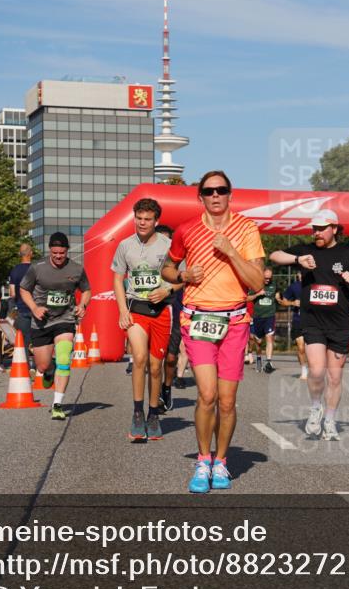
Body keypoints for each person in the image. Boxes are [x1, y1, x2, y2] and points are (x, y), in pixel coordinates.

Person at [161, 171, 265, 493]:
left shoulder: (247, 229)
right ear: (200, 197)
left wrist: (231, 251)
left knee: (227, 401)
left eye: (221, 190)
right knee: (207, 395)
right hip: (198, 319)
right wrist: (183, 276)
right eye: (209, 191)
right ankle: (203, 460)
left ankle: (221, 461)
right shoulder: (187, 229)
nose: (215, 195)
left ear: (230, 194)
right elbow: (166, 269)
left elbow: (257, 282)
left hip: (234, 321)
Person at [270, 213, 349, 441]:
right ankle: (316, 407)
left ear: (334, 229)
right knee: (316, 372)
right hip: (313, 322)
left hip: (339, 324)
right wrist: (298, 260)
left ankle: (330, 420)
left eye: (321, 228)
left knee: (334, 378)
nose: (316, 232)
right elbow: (274, 255)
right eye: (314, 228)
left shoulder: (348, 254)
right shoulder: (306, 250)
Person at [112, 199, 177, 441]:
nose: (142, 223)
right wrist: (122, 310)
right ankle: (138, 413)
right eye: (139, 218)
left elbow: (182, 278)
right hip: (136, 308)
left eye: (147, 219)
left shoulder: (168, 246)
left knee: (155, 366)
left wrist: (166, 290)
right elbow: (117, 279)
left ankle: (153, 413)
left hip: (161, 310)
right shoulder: (125, 245)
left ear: (156, 221)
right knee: (139, 358)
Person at [20, 232, 91, 420]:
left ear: (67, 251)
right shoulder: (37, 268)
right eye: (55, 253)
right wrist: (34, 308)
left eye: (62, 253)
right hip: (42, 321)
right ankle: (49, 370)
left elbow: (86, 290)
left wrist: (82, 305)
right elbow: (24, 289)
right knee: (42, 365)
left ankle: (57, 404)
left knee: (64, 358)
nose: (58, 256)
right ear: (50, 250)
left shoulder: (76, 269)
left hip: (65, 319)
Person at [155, 223, 185, 412]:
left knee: (171, 357)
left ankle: (167, 387)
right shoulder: (147, 257)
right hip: (152, 310)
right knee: (155, 358)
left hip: (175, 308)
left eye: (168, 240)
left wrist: (168, 291)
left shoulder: (178, 260)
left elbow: (185, 279)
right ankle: (156, 395)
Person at [246, 267, 279, 373]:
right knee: (258, 341)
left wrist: (279, 298)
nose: (268, 280)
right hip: (258, 317)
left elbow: (279, 296)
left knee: (269, 337)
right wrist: (258, 294)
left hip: (270, 316)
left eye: (269, 278)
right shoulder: (255, 285)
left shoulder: (274, 285)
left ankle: (268, 362)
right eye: (266, 278)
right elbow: (247, 298)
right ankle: (259, 358)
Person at [9, 243, 35, 363]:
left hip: (22, 310)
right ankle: (40, 367)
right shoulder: (36, 268)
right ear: (31, 253)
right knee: (39, 341)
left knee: (24, 342)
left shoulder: (15, 270)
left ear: (20, 254)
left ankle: (26, 367)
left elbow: (12, 293)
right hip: (36, 309)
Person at [279, 277, 308, 379]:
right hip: (298, 321)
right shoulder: (294, 286)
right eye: (301, 273)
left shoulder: (315, 284)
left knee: (311, 349)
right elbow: (283, 301)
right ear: (298, 275)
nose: (302, 275)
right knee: (301, 347)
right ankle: (304, 370)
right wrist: (292, 303)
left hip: (313, 322)